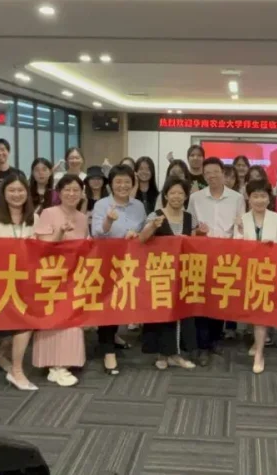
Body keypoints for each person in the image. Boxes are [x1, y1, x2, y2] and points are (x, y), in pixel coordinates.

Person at [0, 174, 36, 391]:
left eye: (21, 190)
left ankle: (3, 356)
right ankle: (17, 371)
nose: (16, 194)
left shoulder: (34, 217)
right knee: (23, 323)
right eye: (11, 190)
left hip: (26, 280)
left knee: (26, 322)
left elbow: (42, 249)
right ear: (3, 193)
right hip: (0, 280)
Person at [188, 157, 246, 366]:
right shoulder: (195, 198)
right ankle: (203, 346)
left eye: (215, 172)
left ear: (223, 172)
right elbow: (190, 226)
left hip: (226, 257)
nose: (212, 176)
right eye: (207, 173)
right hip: (201, 255)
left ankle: (215, 339)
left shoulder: (237, 198)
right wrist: (198, 232)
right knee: (202, 300)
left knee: (220, 299)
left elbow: (241, 227)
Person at [32, 174, 88, 387]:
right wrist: (60, 235)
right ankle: (55, 366)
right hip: (51, 276)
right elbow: (42, 247)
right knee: (54, 321)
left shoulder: (82, 218)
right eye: (67, 189)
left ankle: (65, 363)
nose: (72, 194)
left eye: (76, 190)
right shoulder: (48, 213)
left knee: (72, 321)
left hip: (74, 276)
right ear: (59, 192)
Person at [91, 165, 147, 375]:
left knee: (122, 302)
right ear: (111, 184)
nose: (123, 186)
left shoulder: (138, 206)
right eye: (118, 182)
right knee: (108, 304)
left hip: (130, 263)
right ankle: (108, 352)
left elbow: (143, 231)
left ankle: (113, 335)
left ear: (132, 184)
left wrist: (136, 235)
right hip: (107, 262)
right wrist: (108, 221)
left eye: (126, 182)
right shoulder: (101, 205)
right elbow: (96, 233)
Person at [138, 177, 199, 371]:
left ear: (186, 196)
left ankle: (175, 354)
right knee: (162, 314)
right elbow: (141, 239)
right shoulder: (155, 215)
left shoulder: (190, 218)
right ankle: (162, 354)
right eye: (172, 193)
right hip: (160, 273)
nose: (176, 196)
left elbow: (194, 245)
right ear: (165, 195)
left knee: (182, 315)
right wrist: (153, 226)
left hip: (183, 273)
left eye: (180, 193)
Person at [235, 180, 277, 374]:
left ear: (269, 198)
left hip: (270, 272)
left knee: (261, 313)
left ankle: (259, 353)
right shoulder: (242, 219)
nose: (259, 200)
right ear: (248, 198)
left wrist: (273, 248)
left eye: (263, 196)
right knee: (254, 311)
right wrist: (240, 232)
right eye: (255, 196)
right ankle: (257, 341)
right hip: (248, 272)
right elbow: (235, 248)